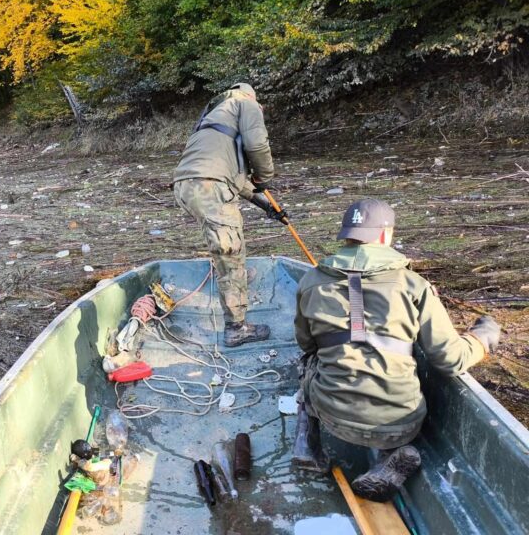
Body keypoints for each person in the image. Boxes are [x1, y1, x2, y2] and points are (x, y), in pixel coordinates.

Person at [292, 198, 501, 502]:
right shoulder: (413, 285)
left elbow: (306, 344)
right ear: (384, 236)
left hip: (332, 417)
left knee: (307, 364)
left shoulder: (311, 281)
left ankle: (308, 449)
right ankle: (390, 455)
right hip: (401, 424)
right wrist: (484, 336)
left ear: (346, 235)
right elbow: (451, 359)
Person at [173, 83, 280, 347]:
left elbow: (231, 179)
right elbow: (257, 144)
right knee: (229, 251)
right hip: (209, 187)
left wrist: (266, 204)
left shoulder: (212, 119)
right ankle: (237, 327)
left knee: (228, 242)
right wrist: (265, 177)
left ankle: (238, 275)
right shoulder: (246, 103)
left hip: (186, 186)